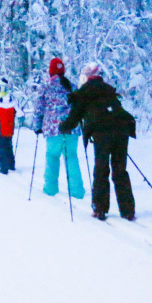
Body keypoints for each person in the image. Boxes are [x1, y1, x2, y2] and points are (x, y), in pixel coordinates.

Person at [61, 61, 134, 221]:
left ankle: (100, 208)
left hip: (102, 132)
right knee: (120, 170)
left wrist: (63, 127)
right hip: (122, 129)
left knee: (101, 169)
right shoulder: (108, 90)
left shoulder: (84, 92)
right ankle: (128, 210)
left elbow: (74, 117)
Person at [35, 58, 86, 201]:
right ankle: (77, 191)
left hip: (52, 130)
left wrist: (37, 126)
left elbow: (39, 108)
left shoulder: (45, 87)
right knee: (72, 157)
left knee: (52, 157)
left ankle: (50, 189)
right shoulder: (72, 86)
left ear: (50, 71)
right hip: (72, 129)